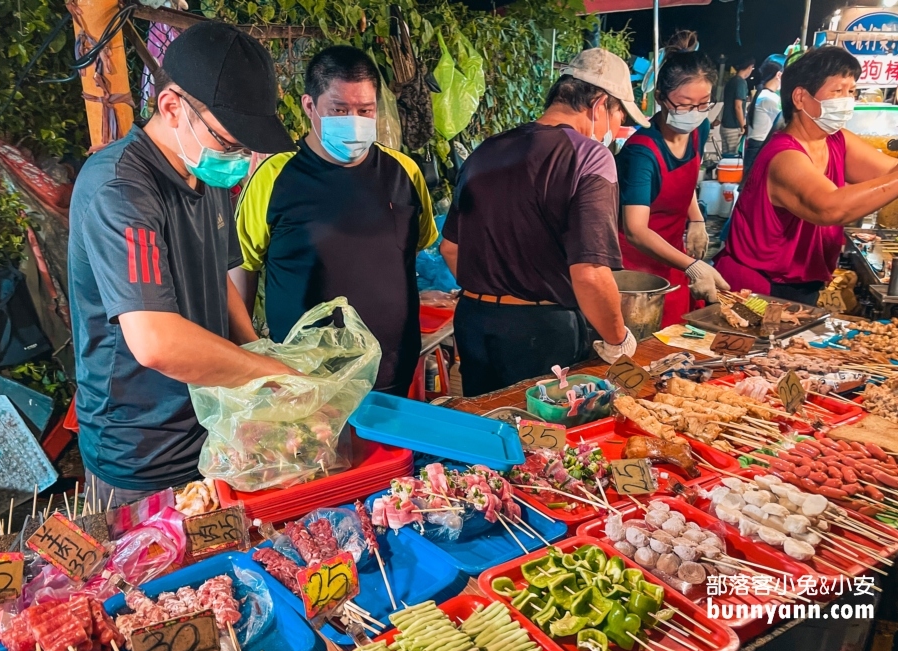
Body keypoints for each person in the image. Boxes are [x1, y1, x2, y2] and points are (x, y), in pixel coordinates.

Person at [68, 22, 297, 502]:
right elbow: (156, 342)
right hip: (142, 449)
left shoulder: (205, 173)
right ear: (172, 106)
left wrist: (261, 355)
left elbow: (218, 279)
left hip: (210, 427)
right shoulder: (121, 189)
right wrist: (266, 374)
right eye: (229, 141)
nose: (239, 158)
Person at [438, 48, 650, 397]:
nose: (617, 128)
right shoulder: (590, 157)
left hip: (474, 325)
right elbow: (590, 274)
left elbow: (450, 248)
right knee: (546, 444)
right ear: (599, 105)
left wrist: (496, 290)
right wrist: (618, 340)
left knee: (490, 430)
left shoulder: (487, 150)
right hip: (543, 335)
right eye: (619, 115)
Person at [236, 46, 437, 396]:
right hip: (303, 380)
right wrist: (251, 356)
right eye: (340, 109)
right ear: (309, 106)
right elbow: (240, 269)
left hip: (391, 372)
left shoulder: (404, 173)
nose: (354, 121)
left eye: (365, 110)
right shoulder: (274, 177)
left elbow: (409, 252)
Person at [717, 46, 898, 305]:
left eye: (851, 91)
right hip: (755, 290)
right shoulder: (784, 156)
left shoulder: (837, 141)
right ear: (800, 98)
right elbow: (830, 208)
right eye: (838, 91)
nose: (847, 100)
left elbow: (888, 172)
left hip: (801, 286)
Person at [616, 34, 728, 328]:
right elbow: (636, 230)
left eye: (703, 104)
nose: (695, 113)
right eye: (684, 104)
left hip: (673, 254)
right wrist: (692, 266)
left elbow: (684, 179)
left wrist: (697, 219)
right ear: (661, 99)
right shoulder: (642, 152)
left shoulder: (698, 129)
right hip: (637, 265)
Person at [744, 57, 784, 174]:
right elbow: (788, 118)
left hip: (756, 144)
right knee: (752, 183)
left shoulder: (763, 94)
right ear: (778, 75)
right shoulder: (769, 98)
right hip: (760, 145)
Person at [721, 56, 754, 156]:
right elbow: (738, 106)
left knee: (726, 157)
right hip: (733, 127)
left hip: (724, 127)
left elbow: (727, 104)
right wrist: (743, 127)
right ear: (749, 67)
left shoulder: (731, 81)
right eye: (752, 68)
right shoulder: (741, 82)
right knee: (734, 158)